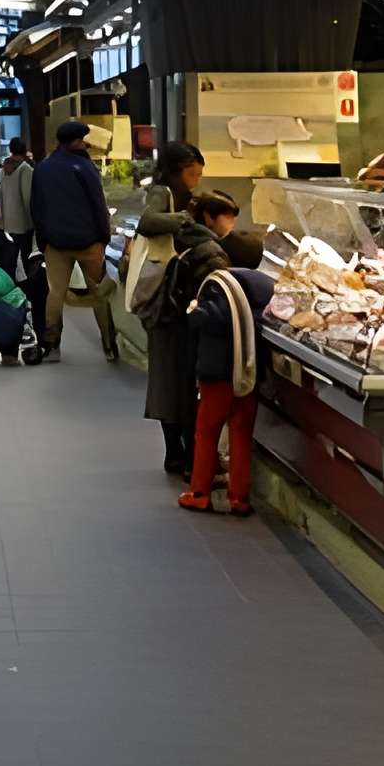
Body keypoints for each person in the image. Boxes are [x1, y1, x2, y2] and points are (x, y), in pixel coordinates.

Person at [142, 183, 238, 474]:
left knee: (168, 392)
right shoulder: (210, 251)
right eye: (229, 217)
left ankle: (176, 455)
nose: (232, 225)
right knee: (187, 398)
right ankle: (195, 463)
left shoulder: (182, 239)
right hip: (183, 330)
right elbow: (210, 299)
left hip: (165, 322)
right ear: (210, 217)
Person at [179, 229, 274, 517]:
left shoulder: (220, 283)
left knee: (206, 432)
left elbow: (211, 318)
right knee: (242, 434)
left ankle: (199, 492)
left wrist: (195, 311)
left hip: (217, 373)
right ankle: (239, 497)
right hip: (249, 371)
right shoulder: (266, 284)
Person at [31, 118, 116, 363]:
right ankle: (109, 345)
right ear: (76, 142)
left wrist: (43, 240)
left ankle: (51, 345)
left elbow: (37, 207)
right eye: (82, 141)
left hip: (56, 244)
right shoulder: (85, 168)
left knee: (55, 293)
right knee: (98, 293)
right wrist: (104, 237)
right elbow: (98, 205)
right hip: (88, 243)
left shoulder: (43, 168)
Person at [0, 136, 35, 264]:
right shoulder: (25, 169)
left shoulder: (4, 168)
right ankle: (28, 282)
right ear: (24, 150)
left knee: (10, 255)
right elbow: (27, 197)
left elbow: (0, 192)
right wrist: (33, 219)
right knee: (27, 255)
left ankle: (10, 280)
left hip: (7, 221)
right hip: (22, 222)